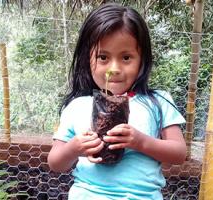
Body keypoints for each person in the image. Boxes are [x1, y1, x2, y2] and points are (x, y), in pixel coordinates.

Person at [47, 3, 186, 199]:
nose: (114, 68)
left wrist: (140, 142)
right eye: (103, 57)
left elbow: (179, 153)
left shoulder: (157, 102)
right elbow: (55, 162)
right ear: (88, 59)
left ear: (142, 60)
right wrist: (74, 148)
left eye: (126, 57)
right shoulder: (77, 106)